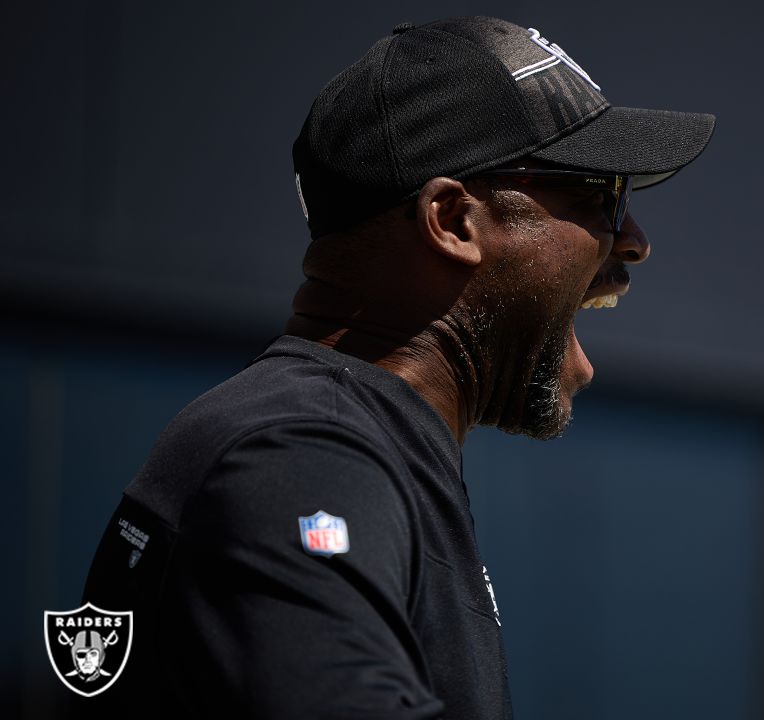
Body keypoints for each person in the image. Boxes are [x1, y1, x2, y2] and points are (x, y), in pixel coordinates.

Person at [77, 15, 714, 719]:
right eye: (599, 196)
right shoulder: (298, 452)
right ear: (453, 220)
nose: (635, 242)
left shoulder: (343, 443)